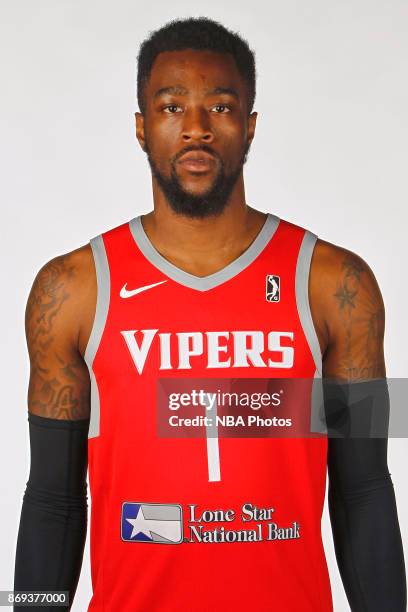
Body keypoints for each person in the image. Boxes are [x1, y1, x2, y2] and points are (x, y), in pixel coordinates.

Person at [14, 17, 406, 612]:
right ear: (142, 129)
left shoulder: (335, 283)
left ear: (249, 128)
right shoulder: (71, 289)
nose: (196, 128)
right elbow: (52, 500)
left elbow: (365, 491)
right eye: (172, 107)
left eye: (220, 107)